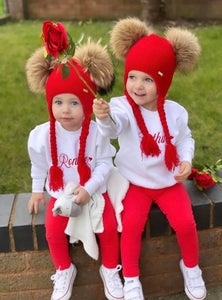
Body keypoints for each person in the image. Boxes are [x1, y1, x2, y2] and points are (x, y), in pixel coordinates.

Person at [93, 17, 206, 300]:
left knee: (186, 224)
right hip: (135, 183)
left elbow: (184, 139)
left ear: (164, 81)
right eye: (132, 76)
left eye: (148, 79)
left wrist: (186, 161)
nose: (137, 86)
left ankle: (191, 267)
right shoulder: (123, 107)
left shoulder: (176, 113)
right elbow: (114, 127)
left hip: (168, 182)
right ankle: (130, 278)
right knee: (130, 227)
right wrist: (104, 117)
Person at [26, 21, 123, 300]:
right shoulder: (43, 135)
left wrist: (89, 189)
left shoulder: (96, 131)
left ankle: (109, 269)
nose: (65, 109)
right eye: (58, 102)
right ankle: (64, 269)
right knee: (54, 232)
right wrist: (36, 190)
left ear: (87, 104)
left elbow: (105, 164)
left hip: (92, 192)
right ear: (50, 104)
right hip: (61, 195)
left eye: (74, 102)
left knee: (108, 228)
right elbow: (40, 164)